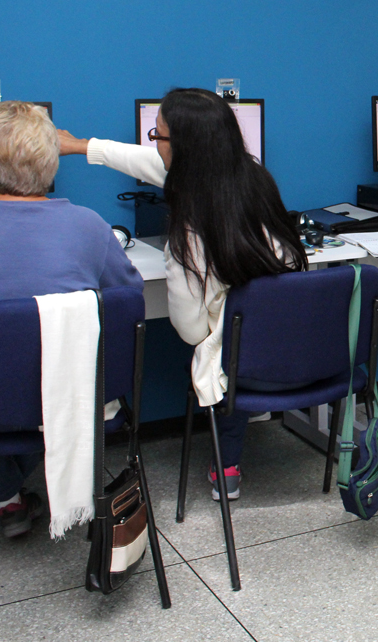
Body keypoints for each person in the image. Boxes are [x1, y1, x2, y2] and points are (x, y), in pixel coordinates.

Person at [58, 88, 306, 501]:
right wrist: (82, 146)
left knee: (211, 346)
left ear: (186, 147)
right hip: (292, 349)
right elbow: (149, 163)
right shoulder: (254, 179)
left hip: (242, 358)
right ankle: (241, 430)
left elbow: (190, 330)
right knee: (233, 340)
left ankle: (227, 458)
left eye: (158, 136)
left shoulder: (192, 224)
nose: (154, 145)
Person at [0, 101, 143, 537]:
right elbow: (127, 302)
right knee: (30, 370)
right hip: (73, 400)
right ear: (52, 162)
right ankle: (20, 490)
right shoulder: (90, 225)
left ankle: (6, 499)